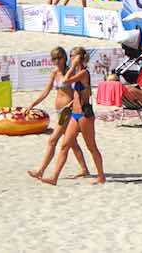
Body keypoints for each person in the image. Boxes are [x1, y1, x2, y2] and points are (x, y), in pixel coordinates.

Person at [41, 47, 105, 185]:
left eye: (72, 55)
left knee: (91, 147)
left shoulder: (83, 73)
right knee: (65, 145)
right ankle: (54, 177)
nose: (70, 58)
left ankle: (101, 176)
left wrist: (75, 64)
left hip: (84, 115)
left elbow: (65, 80)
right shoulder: (77, 71)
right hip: (74, 115)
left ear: (79, 57)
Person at [27, 47, 90, 181]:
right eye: (54, 58)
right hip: (59, 111)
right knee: (72, 142)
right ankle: (84, 169)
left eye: (59, 58)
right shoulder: (55, 72)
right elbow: (46, 91)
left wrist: (72, 104)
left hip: (68, 111)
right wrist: (32, 104)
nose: (57, 61)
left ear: (65, 58)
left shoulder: (71, 72)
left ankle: (41, 171)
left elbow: (80, 92)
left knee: (52, 140)